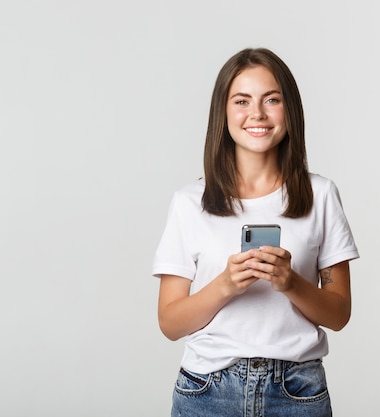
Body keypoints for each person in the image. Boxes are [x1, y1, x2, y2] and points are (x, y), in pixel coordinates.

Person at [152, 47, 359, 417]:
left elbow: (339, 313)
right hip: (207, 391)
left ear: (289, 110)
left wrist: (289, 282)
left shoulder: (321, 195)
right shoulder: (189, 202)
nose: (257, 114)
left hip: (297, 391)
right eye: (242, 100)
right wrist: (225, 285)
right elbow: (169, 323)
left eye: (272, 99)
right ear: (224, 112)